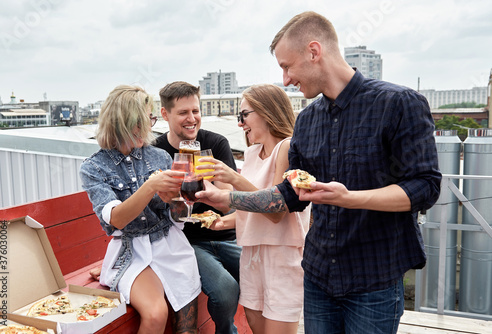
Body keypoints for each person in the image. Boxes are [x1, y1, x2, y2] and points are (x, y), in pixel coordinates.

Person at [197, 11, 442, 334]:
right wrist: (225, 196)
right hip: (317, 277)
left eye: (287, 66)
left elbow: (425, 187)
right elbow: (288, 196)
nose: (285, 79)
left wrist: (350, 198)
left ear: (314, 52)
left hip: (374, 280)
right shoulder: (308, 120)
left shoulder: (398, 103)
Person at [79, 85, 201, 334]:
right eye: (142, 121)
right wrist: (150, 186)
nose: (146, 128)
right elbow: (116, 220)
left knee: (188, 328)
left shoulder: (160, 157)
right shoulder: (94, 168)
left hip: (171, 244)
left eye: (149, 120)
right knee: (156, 314)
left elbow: (180, 217)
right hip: (130, 251)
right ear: (121, 122)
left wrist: (176, 201)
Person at [198, 84, 310, 334]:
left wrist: (232, 180)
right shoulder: (251, 153)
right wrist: (219, 222)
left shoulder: (288, 147)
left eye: (244, 115)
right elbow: (250, 209)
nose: (240, 123)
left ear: (267, 111)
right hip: (251, 254)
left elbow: (275, 211)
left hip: (281, 256)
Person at [155, 81, 242, 334]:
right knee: (225, 290)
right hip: (186, 242)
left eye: (196, 111)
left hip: (227, 235)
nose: (192, 119)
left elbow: (229, 204)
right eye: (183, 112)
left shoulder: (215, 144)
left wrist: (210, 186)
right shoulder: (157, 151)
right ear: (165, 114)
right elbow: (153, 210)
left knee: (264, 278)